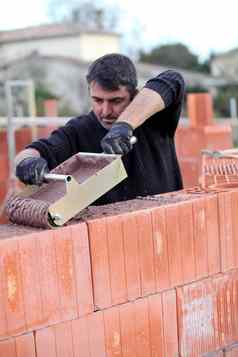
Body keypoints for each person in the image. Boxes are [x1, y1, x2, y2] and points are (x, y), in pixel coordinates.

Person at [15, 53, 185, 205]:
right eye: (97, 100)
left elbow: (173, 79)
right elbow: (32, 152)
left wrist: (124, 125)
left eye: (116, 101)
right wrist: (27, 163)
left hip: (165, 229)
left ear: (134, 94)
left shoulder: (155, 118)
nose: (105, 111)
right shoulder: (78, 130)